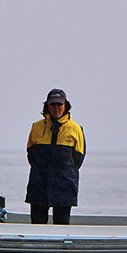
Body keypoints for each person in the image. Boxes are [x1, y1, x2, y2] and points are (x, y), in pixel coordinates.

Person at [25, 88, 85, 224]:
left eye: (59, 104)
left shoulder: (76, 129)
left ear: (65, 106)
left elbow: (78, 160)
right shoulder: (36, 127)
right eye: (53, 104)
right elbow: (31, 156)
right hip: (39, 184)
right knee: (37, 226)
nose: (56, 108)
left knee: (61, 227)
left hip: (64, 185)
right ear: (47, 106)